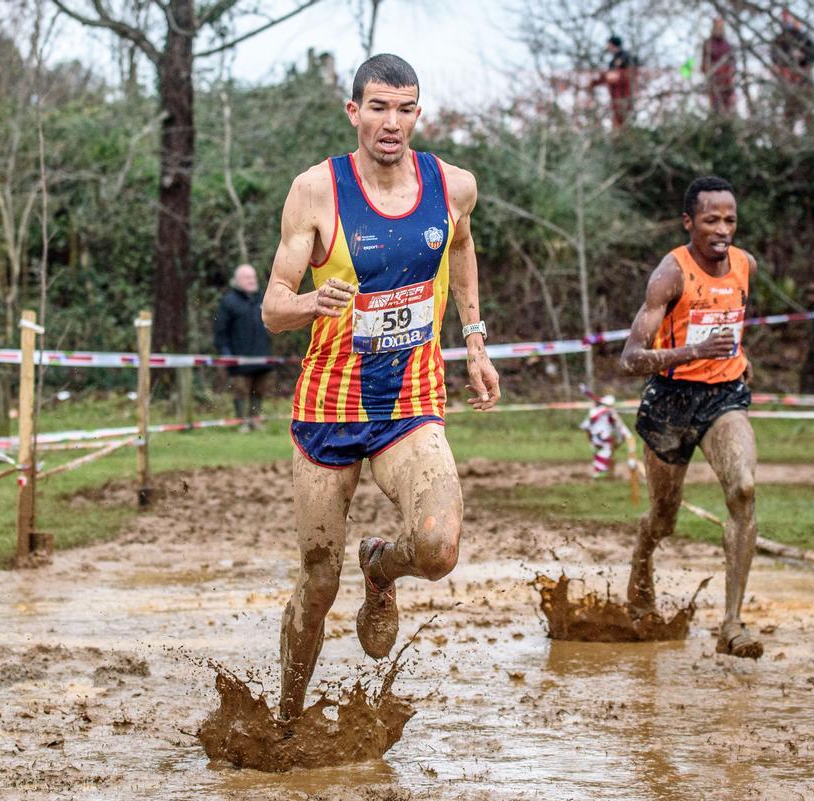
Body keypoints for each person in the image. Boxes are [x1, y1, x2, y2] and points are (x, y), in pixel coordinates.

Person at [261, 53, 501, 721]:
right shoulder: (316, 190)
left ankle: (382, 568)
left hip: (410, 404)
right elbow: (273, 307)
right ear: (354, 112)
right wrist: (315, 302)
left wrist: (475, 341)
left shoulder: (452, 186)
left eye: (404, 108)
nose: (390, 122)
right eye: (377, 108)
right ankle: (285, 717)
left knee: (438, 545)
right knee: (316, 579)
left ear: (417, 113)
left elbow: (461, 247)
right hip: (328, 408)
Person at [618, 175, 763, 660]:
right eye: (711, 220)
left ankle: (732, 624)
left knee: (743, 488)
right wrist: (693, 350)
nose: (723, 230)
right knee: (664, 519)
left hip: (724, 398)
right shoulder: (670, 275)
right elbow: (631, 357)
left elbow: (736, 327)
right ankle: (641, 564)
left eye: (730, 220)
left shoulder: (746, 266)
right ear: (689, 223)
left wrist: (735, 363)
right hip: (670, 402)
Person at [213, 264, 273, 431]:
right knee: (240, 391)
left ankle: (256, 420)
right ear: (238, 280)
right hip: (239, 359)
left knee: (259, 390)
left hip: (261, 356)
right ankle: (242, 422)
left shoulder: (262, 299)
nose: (252, 281)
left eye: (253, 277)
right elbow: (220, 330)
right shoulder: (228, 302)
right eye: (247, 278)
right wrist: (225, 353)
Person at [770, 9, 814, 132]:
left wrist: (803, 57)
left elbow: (812, 57)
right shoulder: (780, 39)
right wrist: (789, 57)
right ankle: (788, 136)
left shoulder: (805, 38)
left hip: (803, 77)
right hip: (787, 78)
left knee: (807, 107)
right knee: (789, 108)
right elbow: (774, 57)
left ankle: (812, 134)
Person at [579, 394, 631, 479]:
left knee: (606, 453)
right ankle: (601, 473)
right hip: (601, 438)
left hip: (601, 438)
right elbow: (586, 426)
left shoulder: (601, 412)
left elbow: (586, 426)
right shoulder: (601, 412)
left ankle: (606, 473)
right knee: (605, 453)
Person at [591, 35, 637, 128]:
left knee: (624, 119)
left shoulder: (625, 57)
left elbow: (623, 75)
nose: (607, 47)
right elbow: (609, 76)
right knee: (617, 120)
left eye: (609, 45)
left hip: (624, 94)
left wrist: (610, 76)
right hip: (615, 95)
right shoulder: (613, 60)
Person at [701, 18, 736, 115]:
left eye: (721, 27)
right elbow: (703, 63)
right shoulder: (708, 44)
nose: (719, 30)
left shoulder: (727, 45)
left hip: (726, 79)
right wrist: (708, 72)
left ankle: (728, 117)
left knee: (728, 102)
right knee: (715, 102)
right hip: (714, 78)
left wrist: (730, 71)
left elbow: (732, 62)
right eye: (717, 27)